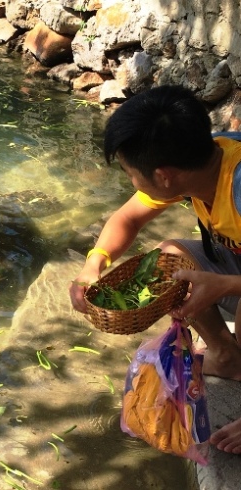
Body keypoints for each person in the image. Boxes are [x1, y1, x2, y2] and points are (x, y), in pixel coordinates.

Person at [68, 84, 241, 454]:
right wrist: (93, 263)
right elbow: (127, 219)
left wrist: (226, 285)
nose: (132, 182)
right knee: (171, 256)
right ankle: (227, 355)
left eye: (131, 174)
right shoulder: (205, 160)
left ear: (163, 176)